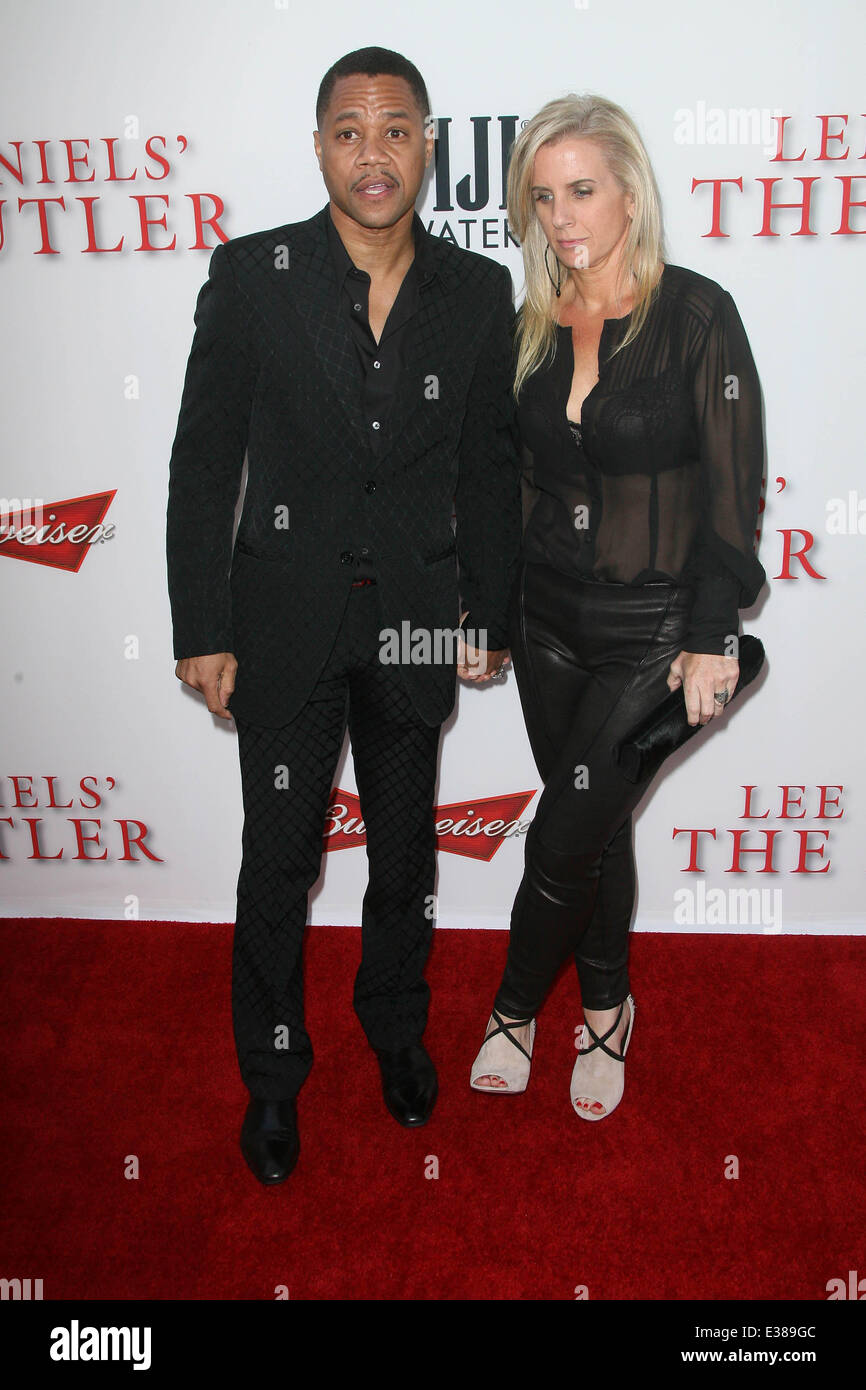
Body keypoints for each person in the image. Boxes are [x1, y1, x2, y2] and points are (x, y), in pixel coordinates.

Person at [166, 47, 521, 1184]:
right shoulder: (253, 274)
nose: (374, 154)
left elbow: (485, 466)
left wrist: (485, 609)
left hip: (415, 618)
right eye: (349, 131)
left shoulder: (476, 293)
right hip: (282, 619)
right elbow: (203, 461)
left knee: (405, 846)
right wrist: (198, 625)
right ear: (318, 144)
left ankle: (396, 1030)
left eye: (395, 129)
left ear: (428, 143)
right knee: (278, 859)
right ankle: (273, 1077)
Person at [470, 94, 766, 1119]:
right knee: (593, 826)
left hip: (650, 627)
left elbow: (732, 490)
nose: (560, 216)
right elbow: (512, 487)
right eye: (542, 197)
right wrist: (485, 612)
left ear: (629, 193)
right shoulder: (529, 328)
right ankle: (605, 1006)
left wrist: (707, 633)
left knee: (558, 835)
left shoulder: (695, 314)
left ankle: (511, 1006)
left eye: (581, 190)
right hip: (545, 621)